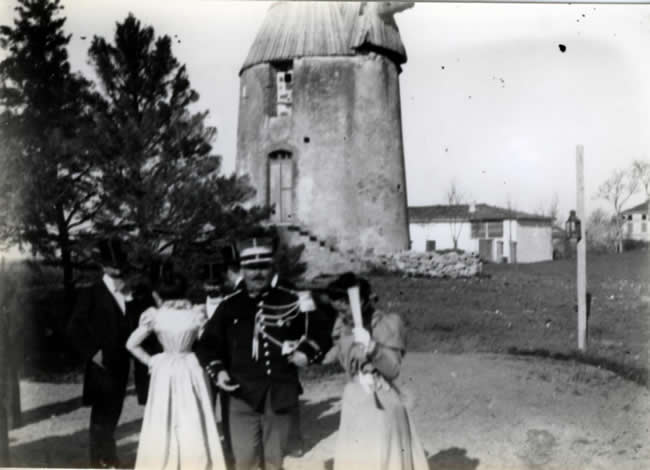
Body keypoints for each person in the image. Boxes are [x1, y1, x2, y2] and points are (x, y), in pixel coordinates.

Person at [195, 234, 332, 470]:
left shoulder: (292, 301)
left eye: (263, 267)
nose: (257, 273)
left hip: (279, 392)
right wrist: (218, 372)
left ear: (272, 268)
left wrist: (307, 354)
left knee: (275, 461)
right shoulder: (229, 305)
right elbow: (207, 344)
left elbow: (321, 331)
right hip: (240, 394)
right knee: (244, 460)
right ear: (242, 270)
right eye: (251, 268)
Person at [65, 239, 156, 468]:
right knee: (101, 416)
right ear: (103, 267)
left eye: (121, 268)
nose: (118, 272)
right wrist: (93, 353)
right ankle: (101, 460)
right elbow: (74, 327)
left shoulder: (129, 294)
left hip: (122, 364)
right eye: (113, 268)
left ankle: (109, 456)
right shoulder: (92, 293)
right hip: (101, 365)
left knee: (114, 411)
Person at [326, 272, 428, 470]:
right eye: (337, 311)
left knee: (381, 456)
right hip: (354, 399)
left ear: (362, 301)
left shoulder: (386, 324)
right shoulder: (343, 327)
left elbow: (393, 370)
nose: (342, 316)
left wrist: (373, 348)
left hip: (380, 401)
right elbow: (342, 359)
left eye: (345, 310)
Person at [126, 272, 226, 470]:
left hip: (165, 368)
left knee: (163, 413)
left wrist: (151, 361)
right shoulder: (195, 314)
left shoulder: (155, 316)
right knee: (193, 413)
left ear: (159, 294)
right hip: (191, 366)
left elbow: (131, 344)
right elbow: (209, 342)